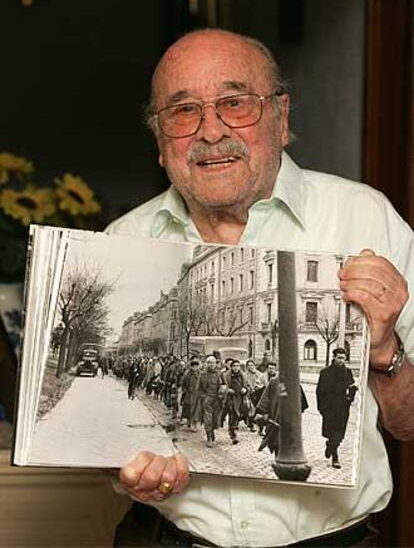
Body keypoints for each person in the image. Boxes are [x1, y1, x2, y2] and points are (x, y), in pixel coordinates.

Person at [108, 28, 414, 548]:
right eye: (183, 112)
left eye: (235, 103)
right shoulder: (123, 242)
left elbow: (408, 425)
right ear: (160, 143)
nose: (210, 131)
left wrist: (385, 350)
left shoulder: (365, 216)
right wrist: (122, 469)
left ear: (282, 117)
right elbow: (94, 433)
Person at [316, 347, 358, 469]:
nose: (341, 361)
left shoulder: (348, 372)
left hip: (342, 408)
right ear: (333, 357)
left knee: (339, 435)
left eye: (343, 358)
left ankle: (330, 446)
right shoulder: (325, 372)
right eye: (339, 358)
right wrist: (322, 409)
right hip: (329, 408)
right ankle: (335, 457)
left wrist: (350, 399)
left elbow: (353, 387)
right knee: (331, 432)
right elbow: (319, 391)